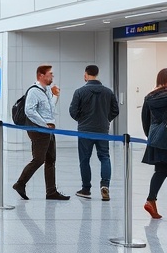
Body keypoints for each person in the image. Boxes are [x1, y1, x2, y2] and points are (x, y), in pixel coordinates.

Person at [13, 65, 70, 200]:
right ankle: (20, 183)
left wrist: (55, 95)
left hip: (48, 129)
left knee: (50, 160)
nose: (52, 77)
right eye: (50, 74)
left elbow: (49, 108)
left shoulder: (46, 91)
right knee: (39, 159)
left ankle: (51, 191)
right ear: (41, 75)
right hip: (38, 129)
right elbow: (29, 111)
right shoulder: (34, 91)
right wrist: (44, 125)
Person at [68, 65, 119, 201]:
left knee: (84, 160)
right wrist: (106, 119)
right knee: (105, 157)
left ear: (86, 74)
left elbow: (73, 111)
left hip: (85, 131)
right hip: (102, 130)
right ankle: (105, 185)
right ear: (97, 74)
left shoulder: (79, 92)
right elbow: (116, 110)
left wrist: (82, 119)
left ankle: (86, 189)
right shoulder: (108, 92)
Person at [142, 68, 167, 219]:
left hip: (157, 139)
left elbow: (146, 121)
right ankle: (151, 200)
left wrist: (153, 137)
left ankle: (151, 200)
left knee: (161, 170)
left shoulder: (149, 97)